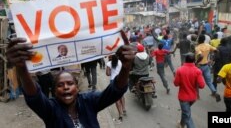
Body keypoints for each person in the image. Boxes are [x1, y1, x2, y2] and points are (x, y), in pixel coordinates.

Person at [6, 34, 135, 128]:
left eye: (70, 83)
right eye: (60, 85)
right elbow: (34, 96)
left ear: (77, 88)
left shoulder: (89, 102)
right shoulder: (50, 110)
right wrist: (22, 68)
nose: (66, 87)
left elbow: (114, 92)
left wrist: (125, 67)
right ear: (55, 92)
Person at [174, 52, 205, 128]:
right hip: (193, 98)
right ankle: (181, 124)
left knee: (187, 116)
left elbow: (176, 84)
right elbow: (202, 85)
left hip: (183, 98)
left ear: (185, 60)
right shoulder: (197, 71)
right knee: (186, 112)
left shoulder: (180, 70)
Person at [195, 35, 221, 102]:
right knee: (209, 82)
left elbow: (200, 56)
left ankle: (197, 95)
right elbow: (217, 50)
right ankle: (214, 92)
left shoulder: (198, 47)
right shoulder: (208, 45)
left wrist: (196, 63)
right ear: (204, 40)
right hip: (206, 66)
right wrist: (212, 59)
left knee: (196, 81)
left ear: (198, 40)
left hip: (199, 67)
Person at [106, 55, 126, 123]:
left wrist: (111, 70)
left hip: (113, 81)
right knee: (122, 95)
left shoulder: (109, 64)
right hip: (121, 80)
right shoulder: (121, 62)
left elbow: (108, 74)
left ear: (111, 58)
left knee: (116, 98)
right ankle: (124, 109)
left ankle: (120, 114)